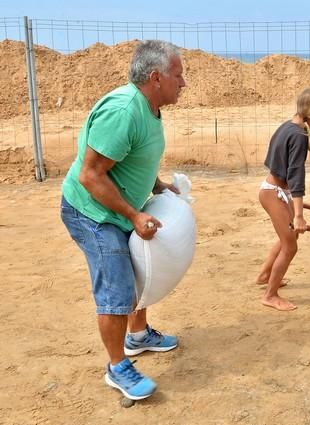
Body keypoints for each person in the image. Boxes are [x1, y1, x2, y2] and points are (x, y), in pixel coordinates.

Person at [60, 40, 186, 400]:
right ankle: (117, 367)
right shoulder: (124, 111)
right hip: (92, 212)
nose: (184, 82)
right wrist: (132, 213)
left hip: (114, 208)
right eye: (178, 75)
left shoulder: (150, 109)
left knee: (141, 269)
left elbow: (133, 158)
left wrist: (158, 185)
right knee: (116, 288)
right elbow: (90, 175)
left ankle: (139, 335)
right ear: (156, 77)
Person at [255, 88, 310, 311]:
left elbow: (275, 163)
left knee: (289, 236)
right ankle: (270, 295)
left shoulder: (288, 126)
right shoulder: (299, 136)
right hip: (274, 193)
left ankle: (264, 275)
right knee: (290, 247)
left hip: (274, 189)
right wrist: (298, 215)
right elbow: (296, 178)